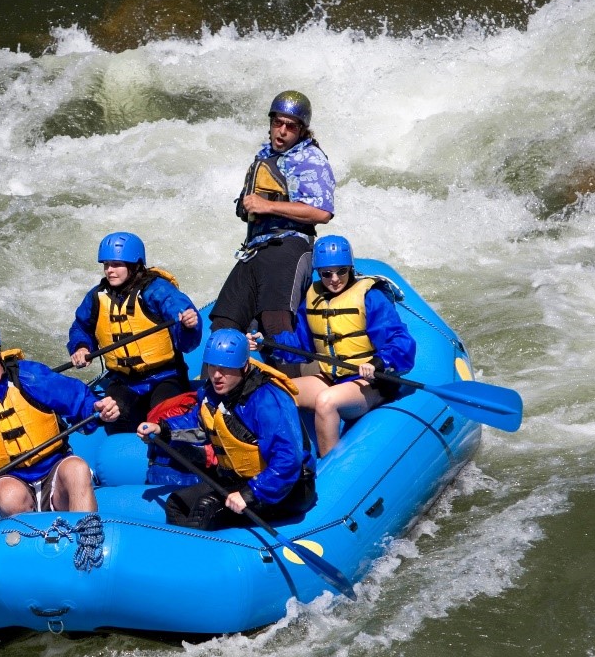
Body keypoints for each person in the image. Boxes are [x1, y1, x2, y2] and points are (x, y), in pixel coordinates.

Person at [0, 314, 120, 518]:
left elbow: (79, 401)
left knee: (78, 468)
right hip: (3, 481)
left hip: (53, 472)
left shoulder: (31, 377)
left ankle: (87, 536)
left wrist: (97, 410)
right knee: (12, 496)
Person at [137, 328, 315, 530]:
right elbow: (200, 424)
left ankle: (202, 557)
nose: (217, 376)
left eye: (225, 369)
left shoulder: (268, 401)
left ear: (244, 366)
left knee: (206, 509)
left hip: (287, 487)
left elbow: (288, 459)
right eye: (212, 367)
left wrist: (251, 493)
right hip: (238, 479)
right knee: (176, 504)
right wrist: (163, 428)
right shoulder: (212, 394)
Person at [210, 90, 336, 355]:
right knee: (224, 322)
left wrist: (268, 205)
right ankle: (218, 393)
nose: (282, 131)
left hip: (289, 246)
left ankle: (290, 390)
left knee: (274, 321)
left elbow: (322, 212)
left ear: (302, 130)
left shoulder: (310, 159)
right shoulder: (264, 157)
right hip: (254, 250)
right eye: (277, 123)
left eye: (290, 126)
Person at [267, 235, 417, 457]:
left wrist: (378, 362)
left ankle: (329, 467)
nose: (334, 279)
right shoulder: (313, 298)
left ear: (350, 268)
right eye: (327, 274)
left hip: (370, 383)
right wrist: (268, 343)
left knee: (326, 402)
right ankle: (290, 459)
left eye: (341, 271)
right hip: (332, 378)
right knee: (276, 392)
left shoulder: (370, 297)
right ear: (319, 272)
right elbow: (301, 343)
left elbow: (400, 341)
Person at [66, 231, 202, 432]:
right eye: (106, 265)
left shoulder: (156, 291)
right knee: (114, 417)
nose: (109, 270)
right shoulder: (97, 297)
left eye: (116, 265)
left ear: (135, 265)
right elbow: (81, 327)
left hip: (165, 376)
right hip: (124, 381)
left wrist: (188, 325)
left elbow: (187, 340)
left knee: (167, 417)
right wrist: (81, 347)